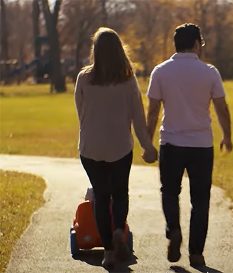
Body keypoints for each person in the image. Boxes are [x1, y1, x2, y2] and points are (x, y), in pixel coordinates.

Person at [146, 23, 233, 267]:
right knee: (200, 200)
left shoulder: (160, 71)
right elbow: (221, 108)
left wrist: (148, 144)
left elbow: (152, 112)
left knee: (169, 192)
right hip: (201, 145)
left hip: (171, 142)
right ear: (196, 44)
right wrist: (227, 136)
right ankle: (196, 253)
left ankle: (173, 229)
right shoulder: (209, 72)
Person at [74, 27, 157, 269]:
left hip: (91, 148)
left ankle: (108, 251)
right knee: (120, 193)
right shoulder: (128, 79)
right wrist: (148, 147)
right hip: (120, 146)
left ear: (96, 51)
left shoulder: (83, 78)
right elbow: (138, 118)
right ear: (120, 50)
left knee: (101, 196)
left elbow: (82, 115)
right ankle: (119, 229)